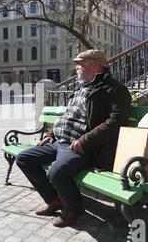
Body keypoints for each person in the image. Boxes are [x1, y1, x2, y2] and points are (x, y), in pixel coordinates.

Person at [16, 50, 131, 228]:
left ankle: (74, 210)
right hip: (59, 142)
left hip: (82, 146)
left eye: (80, 64)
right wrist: (50, 135)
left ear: (92, 65)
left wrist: (85, 141)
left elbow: (115, 123)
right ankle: (55, 200)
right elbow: (67, 116)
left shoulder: (115, 89)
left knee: (57, 172)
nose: (77, 68)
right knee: (24, 159)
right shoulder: (82, 87)